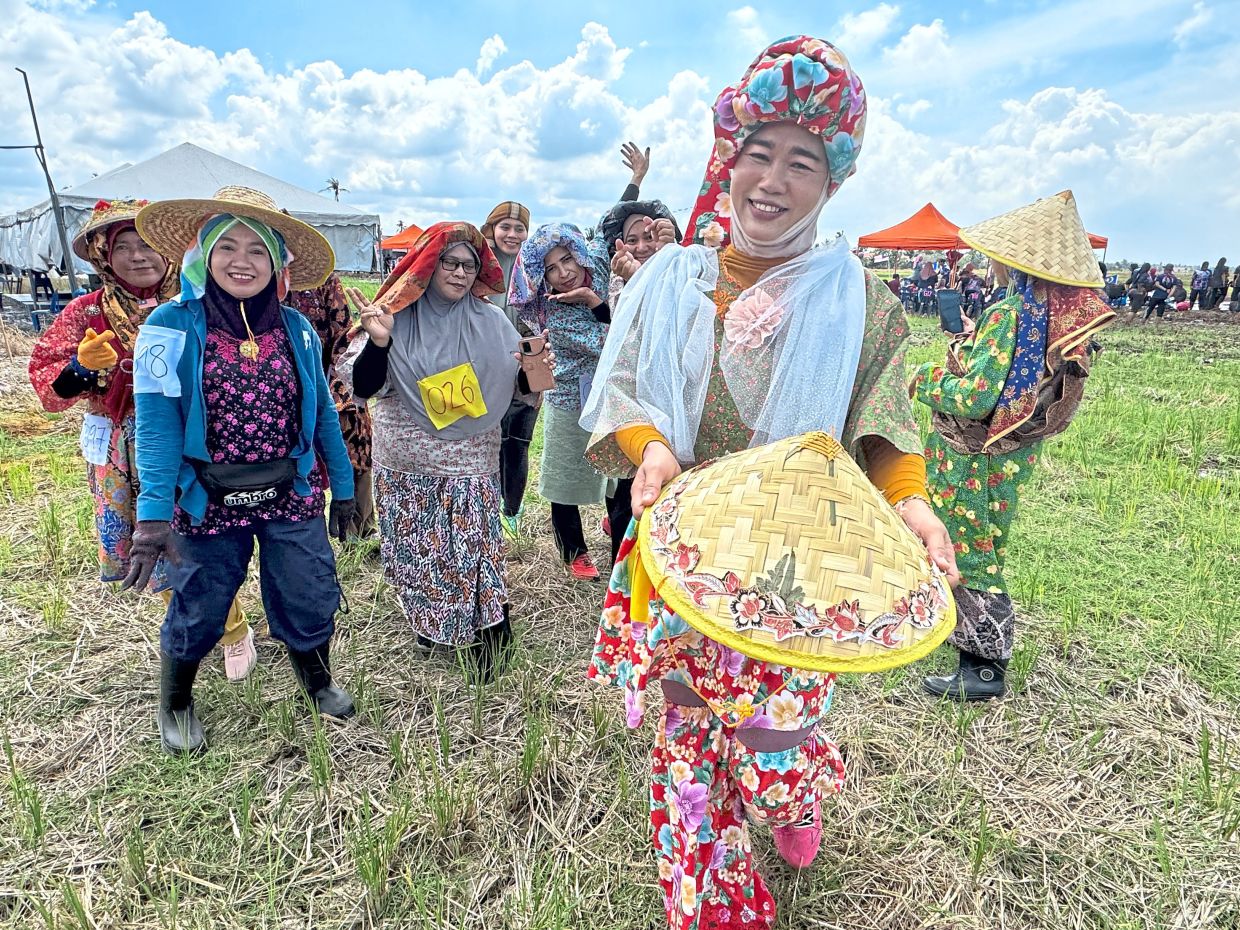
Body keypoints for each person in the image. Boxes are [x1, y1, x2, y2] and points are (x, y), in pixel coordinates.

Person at [581, 37, 958, 930]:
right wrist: (652, 452)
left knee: (772, 730)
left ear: (831, 183)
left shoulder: (860, 299)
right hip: (681, 542)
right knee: (685, 734)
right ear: (731, 159)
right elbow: (630, 385)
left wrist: (911, 504)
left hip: (799, 557)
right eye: (759, 154)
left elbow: (883, 423)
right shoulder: (673, 279)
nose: (772, 180)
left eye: (802, 162)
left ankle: (791, 797)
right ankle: (710, 900)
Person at [125, 187, 357, 754]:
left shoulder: (297, 327)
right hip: (205, 495)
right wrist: (153, 518)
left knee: (308, 591)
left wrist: (346, 489)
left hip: (288, 490)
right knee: (200, 602)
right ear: (204, 255)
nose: (242, 261)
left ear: (277, 262)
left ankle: (317, 677)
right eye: (227, 246)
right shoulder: (169, 325)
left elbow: (324, 410)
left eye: (258, 250)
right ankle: (176, 699)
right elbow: (155, 424)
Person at [27, 199, 258, 681]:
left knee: (201, 534)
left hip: (188, 437)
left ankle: (233, 627)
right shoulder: (86, 312)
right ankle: (186, 629)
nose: (138, 256)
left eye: (148, 244)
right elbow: (46, 382)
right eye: (124, 247)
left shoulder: (194, 305)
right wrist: (80, 369)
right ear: (103, 256)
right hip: (120, 447)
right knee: (151, 542)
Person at [916, 191, 1114, 700]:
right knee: (981, 541)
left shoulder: (1010, 314)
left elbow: (977, 395)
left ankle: (982, 668)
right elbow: (1016, 383)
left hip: (973, 457)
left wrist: (923, 379)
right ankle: (964, 637)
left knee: (969, 548)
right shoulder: (1052, 313)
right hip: (1009, 455)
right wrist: (972, 341)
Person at [342, 223, 554, 678]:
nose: (460, 273)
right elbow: (364, 386)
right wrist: (379, 343)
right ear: (426, 265)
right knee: (418, 552)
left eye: (469, 265)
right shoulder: (393, 316)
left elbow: (515, 389)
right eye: (450, 263)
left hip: (469, 463)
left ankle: (489, 634)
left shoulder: (491, 321)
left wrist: (534, 370)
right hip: (406, 466)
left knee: (472, 549)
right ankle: (433, 623)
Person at [508, 222, 614, 582]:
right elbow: (606, 341)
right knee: (563, 474)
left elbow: (607, 226)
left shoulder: (598, 264)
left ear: (579, 254)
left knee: (619, 470)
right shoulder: (549, 310)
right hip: (569, 395)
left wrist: (635, 179)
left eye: (567, 259)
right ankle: (573, 549)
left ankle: (618, 531)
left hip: (613, 392)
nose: (564, 272)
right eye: (551, 268)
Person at [592, 198, 680, 563]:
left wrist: (670, 258)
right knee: (628, 495)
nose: (642, 246)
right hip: (634, 408)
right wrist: (637, 280)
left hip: (676, 411)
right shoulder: (620, 281)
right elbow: (628, 330)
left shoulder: (686, 273)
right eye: (632, 239)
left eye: (650, 236)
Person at [285, 272, 375, 538]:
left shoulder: (323, 281)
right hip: (281, 389)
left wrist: (337, 388)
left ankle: (358, 531)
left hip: (327, 376)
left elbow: (342, 336)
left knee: (352, 437)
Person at [480, 201, 535, 537]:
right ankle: (485, 508)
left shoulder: (535, 267)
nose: (512, 235)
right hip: (485, 368)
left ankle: (511, 510)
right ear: (492, 228)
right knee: (487, 439)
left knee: (518, 440)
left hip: (526, 367)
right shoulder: (477, 266)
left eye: (519, 229)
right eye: (505, 227)